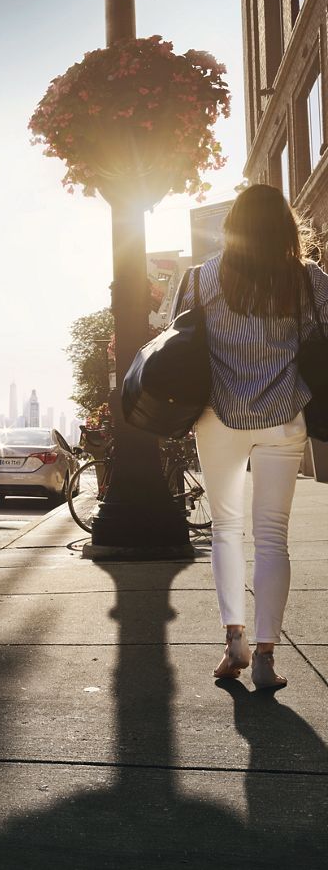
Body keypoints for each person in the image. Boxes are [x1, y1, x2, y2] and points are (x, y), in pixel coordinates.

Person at [180, 183, 328, 690]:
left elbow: (171, 337)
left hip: (217, 417)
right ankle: (265, 658)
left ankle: (234, 643)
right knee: (272, 537)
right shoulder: (308, 280)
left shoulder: (200, 279)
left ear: (232, 227)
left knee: (225, 529)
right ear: (285, 226)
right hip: (284, 418)